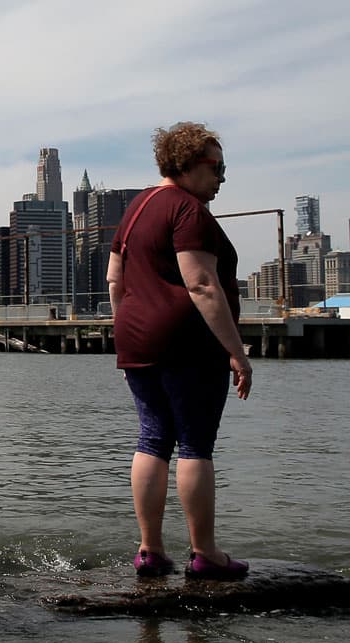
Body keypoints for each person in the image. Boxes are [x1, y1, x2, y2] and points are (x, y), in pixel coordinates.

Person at [106, 122, 252, 580]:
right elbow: (202, 284)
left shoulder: (136, 207)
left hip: (137, 339)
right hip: (187, 343)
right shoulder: (189, 211)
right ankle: (205, 554)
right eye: (217, 167)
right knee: (194, 443)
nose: (223, 177)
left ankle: (150, 551)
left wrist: (128, 330)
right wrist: (237, 352)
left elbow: (115, 280)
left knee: (152, 439)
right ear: (188, 165)